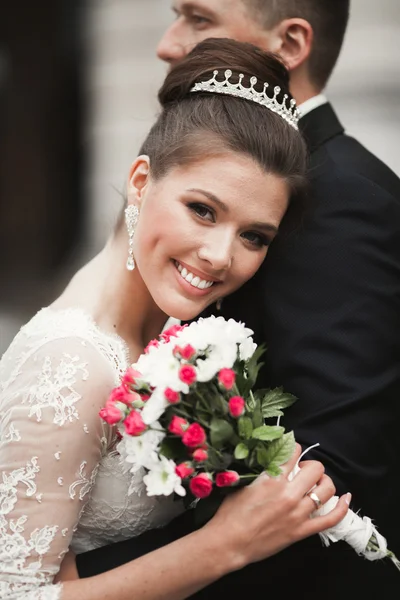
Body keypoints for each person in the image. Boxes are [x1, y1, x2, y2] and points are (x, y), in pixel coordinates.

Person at [0, 38, 350, 599]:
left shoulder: (175, 334)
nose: (219, 255)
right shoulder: (70, 364)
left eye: (253, 236)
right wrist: (226, 544)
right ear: (141, 181)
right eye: (202, 210)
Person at [76, 1, 400, 597]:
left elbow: (330, 474)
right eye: (202, 212)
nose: (169, 43)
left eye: (198, 19)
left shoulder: (345, 203)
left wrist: (85, 575)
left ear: (291, 43)